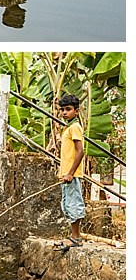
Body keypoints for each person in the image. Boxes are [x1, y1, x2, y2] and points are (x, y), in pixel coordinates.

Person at [56, 93, 85, 249]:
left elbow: (80, 151)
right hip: (66, 174)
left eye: (68, 109)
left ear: (77, 111)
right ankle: (74, 236)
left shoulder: (75, 127)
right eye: (62, 110)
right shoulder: (68, 127)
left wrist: (70, 173)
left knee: (74, 204)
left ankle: (76, 237)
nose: (65, 112)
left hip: (71, 175)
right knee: (67, 204)